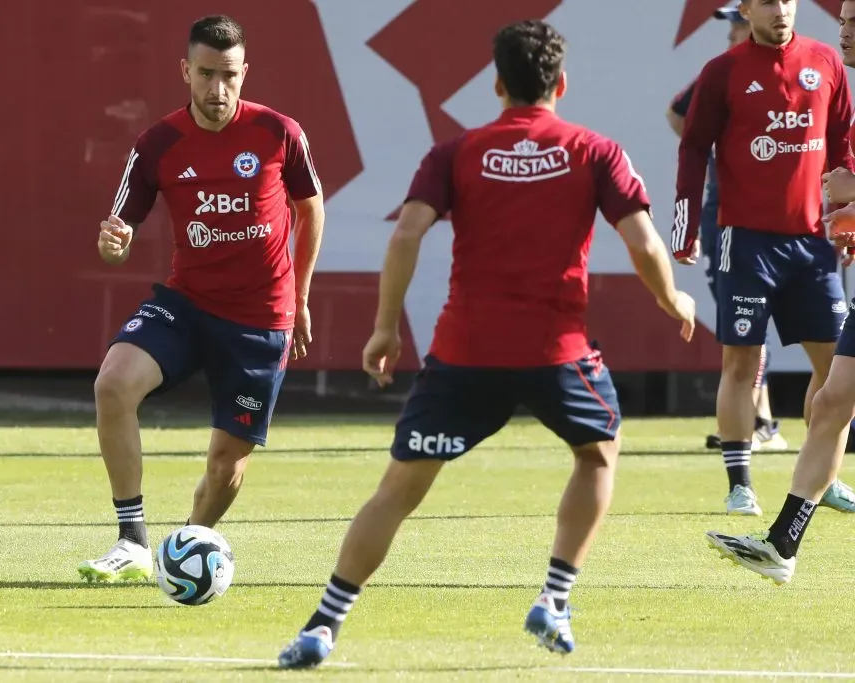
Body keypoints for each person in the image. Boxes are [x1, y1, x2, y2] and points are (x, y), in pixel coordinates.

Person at [276, 19, 696, 668]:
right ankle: (554, 596)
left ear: (497, 84)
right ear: (561, 83)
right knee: (598, 453)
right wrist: (674, 300)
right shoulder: (595, 150)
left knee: (397, 490)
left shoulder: (455, 153)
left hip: (464, 355)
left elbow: (405, 236)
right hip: (556, 353)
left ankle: (323, 624)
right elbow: (642, 242)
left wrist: (386, 327)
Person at [77, 14, 325, 583]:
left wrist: (302, 297)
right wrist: (112, 244)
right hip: (186, 305)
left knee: (225, 469)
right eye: (207, 75)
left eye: (229, 76)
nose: (218, 90)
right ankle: (133, 541)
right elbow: (120, 230)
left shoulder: (279, 133)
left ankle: (181, 552)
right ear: (186, 71)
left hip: (261, 320)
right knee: (113, 383)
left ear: (245, 73)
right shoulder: (157, 144)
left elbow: (311, 210)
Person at [673, 0, 855, 517]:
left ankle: (823, 475)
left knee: (836, 367)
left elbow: (844, 145)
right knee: (742, 362)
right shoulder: (722, 72)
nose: (781, 10)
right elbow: (692, 148)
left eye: (788, 0)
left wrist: (846, 216)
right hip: (746, 242)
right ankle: (739, 484)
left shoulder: (826, 63)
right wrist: (685, 227)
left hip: (815, 245)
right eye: (769, 2)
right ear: (746, 10)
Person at [667, 2, 788, 453]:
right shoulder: (723, 74)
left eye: (736, 23)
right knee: (742, 321)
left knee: (750, 324)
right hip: (726, 217)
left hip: (776, 219)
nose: (731, 34)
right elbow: (677, 114)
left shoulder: (795, 68)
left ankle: (759, 422)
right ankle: (762, 422)